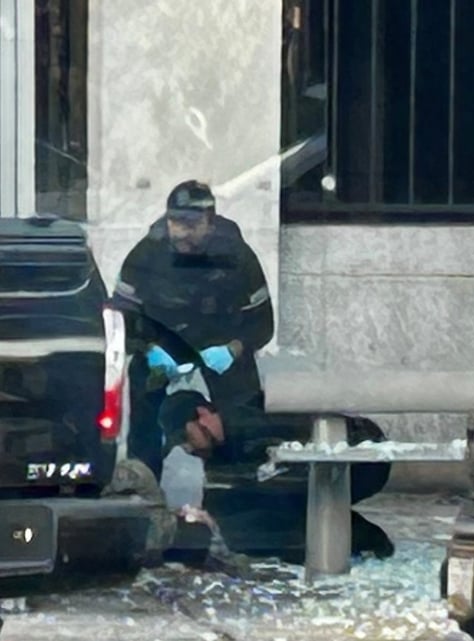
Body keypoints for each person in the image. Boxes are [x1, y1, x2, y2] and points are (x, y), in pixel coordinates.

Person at [110, 180, 274, 480]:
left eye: (192, 223)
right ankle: (141, 483)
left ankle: (238, 480)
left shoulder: (238, 256)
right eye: (176, 222)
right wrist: (148, 349)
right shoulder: (146, 254)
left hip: (221, 341)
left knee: (241, 412)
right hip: (163, 341)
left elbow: (262, 325)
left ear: (210, 222)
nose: (182, 231)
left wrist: (232, 350)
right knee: (145, 401)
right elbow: (120, 317)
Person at [158, 390, 395, 561]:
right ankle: (353, 537)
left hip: (360, 456)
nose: (188, 448)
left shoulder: (248, 425)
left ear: (202, 415)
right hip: (323, 465)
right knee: (241, 520)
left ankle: (362, 540)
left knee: (262, 518)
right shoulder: (222, 449)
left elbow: (281, 474)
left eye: (185, 438)